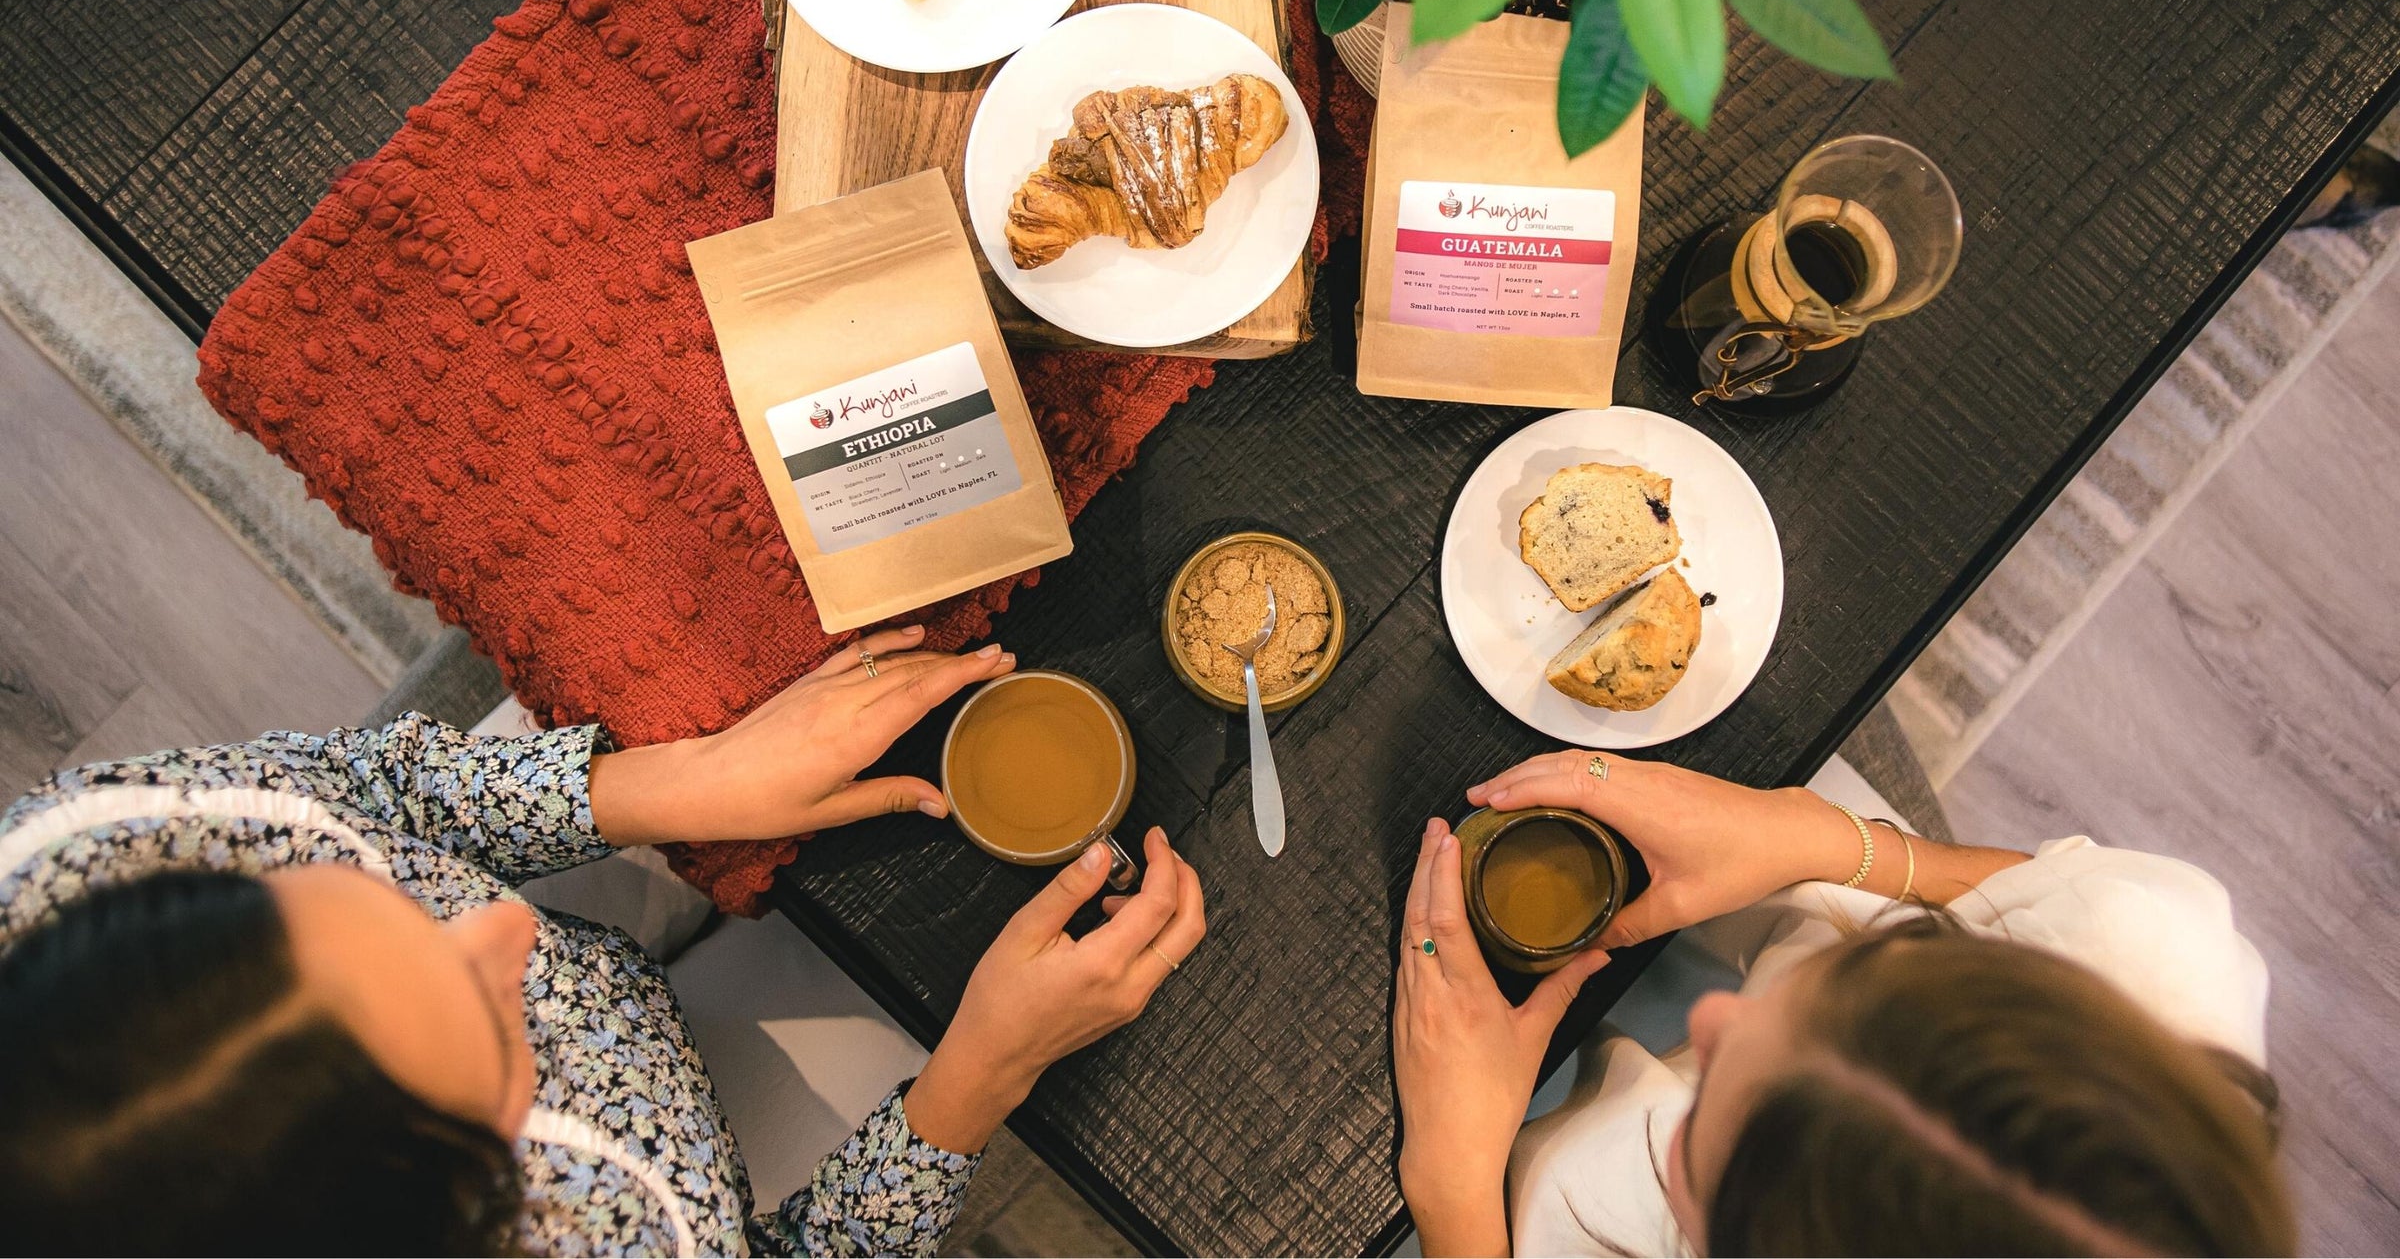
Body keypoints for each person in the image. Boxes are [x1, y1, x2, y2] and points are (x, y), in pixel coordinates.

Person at [0, 627, 1206, 1255]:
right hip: (713, 1163)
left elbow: (365, 792)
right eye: (478, 1032)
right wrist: (981, 1070)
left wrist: (686, 785)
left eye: (360, 894)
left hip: (608, 914)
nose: (506, 931)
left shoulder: (72, 855)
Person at [1391, 749, 2294, 1256]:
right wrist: (1819, 837)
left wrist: (1455, 1188)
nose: (1712, 1019)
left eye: (1702, 1155)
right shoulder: (2160, 957)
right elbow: (2012, 893)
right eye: (1875, 969)